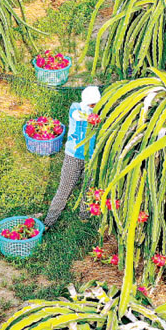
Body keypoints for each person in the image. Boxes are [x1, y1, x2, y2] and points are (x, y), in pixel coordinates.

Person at [44, 86, 101, 228]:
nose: (94, 106)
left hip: (91, 158)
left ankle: (84, 217)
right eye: (92, 104)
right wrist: (90, 117)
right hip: (73, 156)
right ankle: (50, 221)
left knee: (88, 188)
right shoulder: (76, 107)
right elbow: (76, 115)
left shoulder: (100, 113)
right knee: (64, 188)